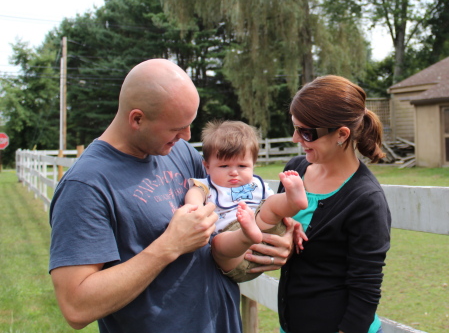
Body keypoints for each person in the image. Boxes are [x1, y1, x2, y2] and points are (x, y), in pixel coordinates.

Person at [48, 59, 295, 333]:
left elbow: (231, 206)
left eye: (189, 124)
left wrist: (274, 223)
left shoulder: (178, 150)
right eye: (176, 127)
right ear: (137, 119)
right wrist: (169, 245)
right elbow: (76, 306)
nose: (187, 135)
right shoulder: (85, 185)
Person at [277, 75, 391, 333]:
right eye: (295, 128)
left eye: (306, 132)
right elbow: (271, 223)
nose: (296, 139)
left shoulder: (366, 199)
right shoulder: (294, 170)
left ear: (341, 134)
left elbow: (365, 291)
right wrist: (283, 229)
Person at [185, 121, 308, 283]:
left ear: (253, 165)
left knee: (270, 206)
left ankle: (293, 201)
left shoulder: (256, 185)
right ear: (207, 167)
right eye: (224, 166)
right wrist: (193, 207)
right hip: (235, 254)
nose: (234, 172)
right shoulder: (207, 186)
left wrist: (289, 219)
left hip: (266, 235)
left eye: (242, 166)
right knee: (218, 244)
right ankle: (245, 234)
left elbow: (274, 208)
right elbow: (194, 193)